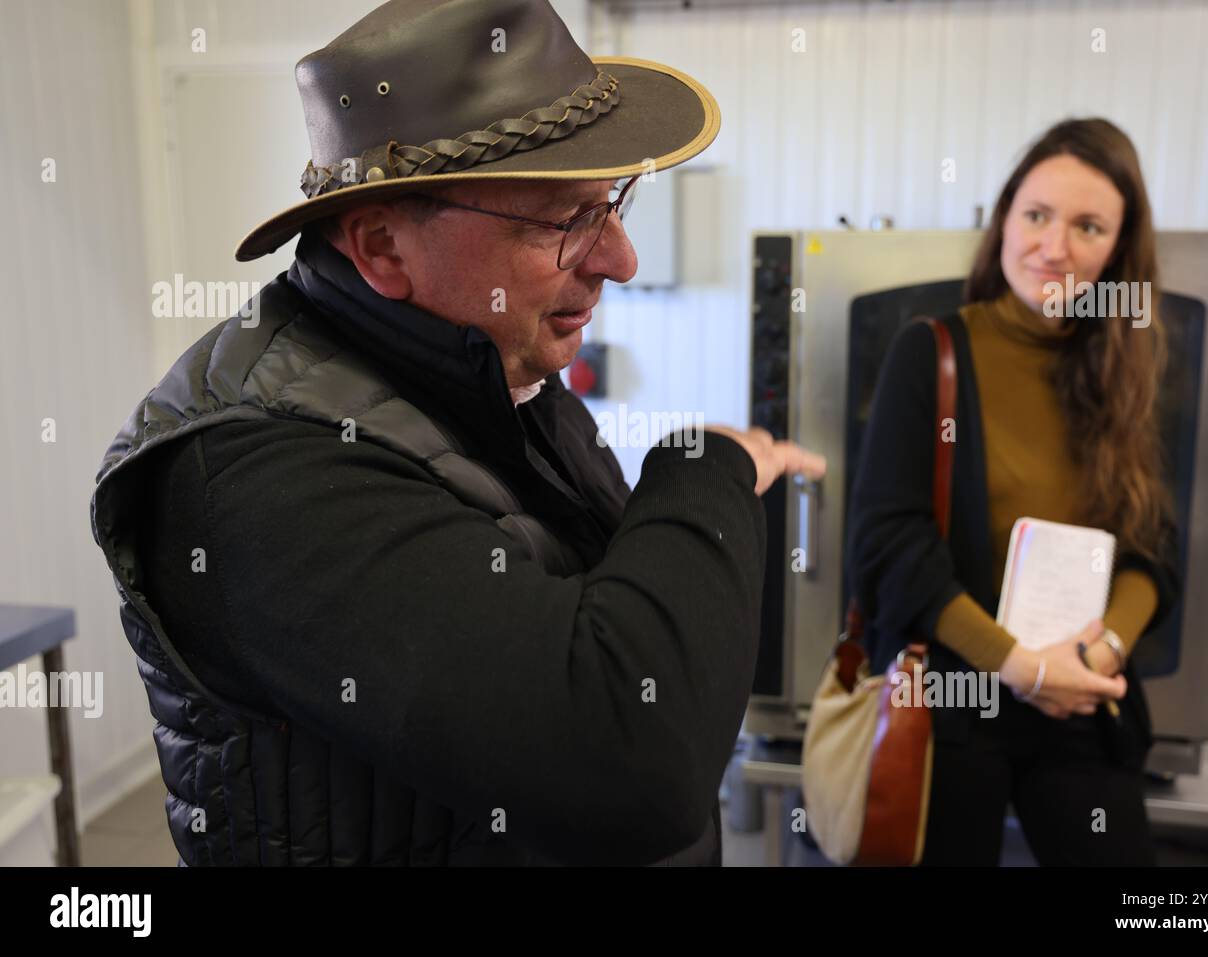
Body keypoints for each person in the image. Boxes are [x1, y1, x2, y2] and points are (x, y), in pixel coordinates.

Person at [90, 0, 823, 866]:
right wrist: (704, 470)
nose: (620, 258)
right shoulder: (251, 473)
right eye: (565, 220)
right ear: (381, 247)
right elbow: (633, 759)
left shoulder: (495, 368)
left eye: (612, 202)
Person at [845, 117, 1179, 866]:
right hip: (960, 697)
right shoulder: (930, 353)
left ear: (1120, 251)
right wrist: (1020, 667)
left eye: (1088, 226)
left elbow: (1154, 545)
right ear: (1004, 224)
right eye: (1036, 216)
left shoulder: (1131, 368)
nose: (1054, 247)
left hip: (1083, 695)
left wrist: (1100, 652)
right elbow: (890, 548)